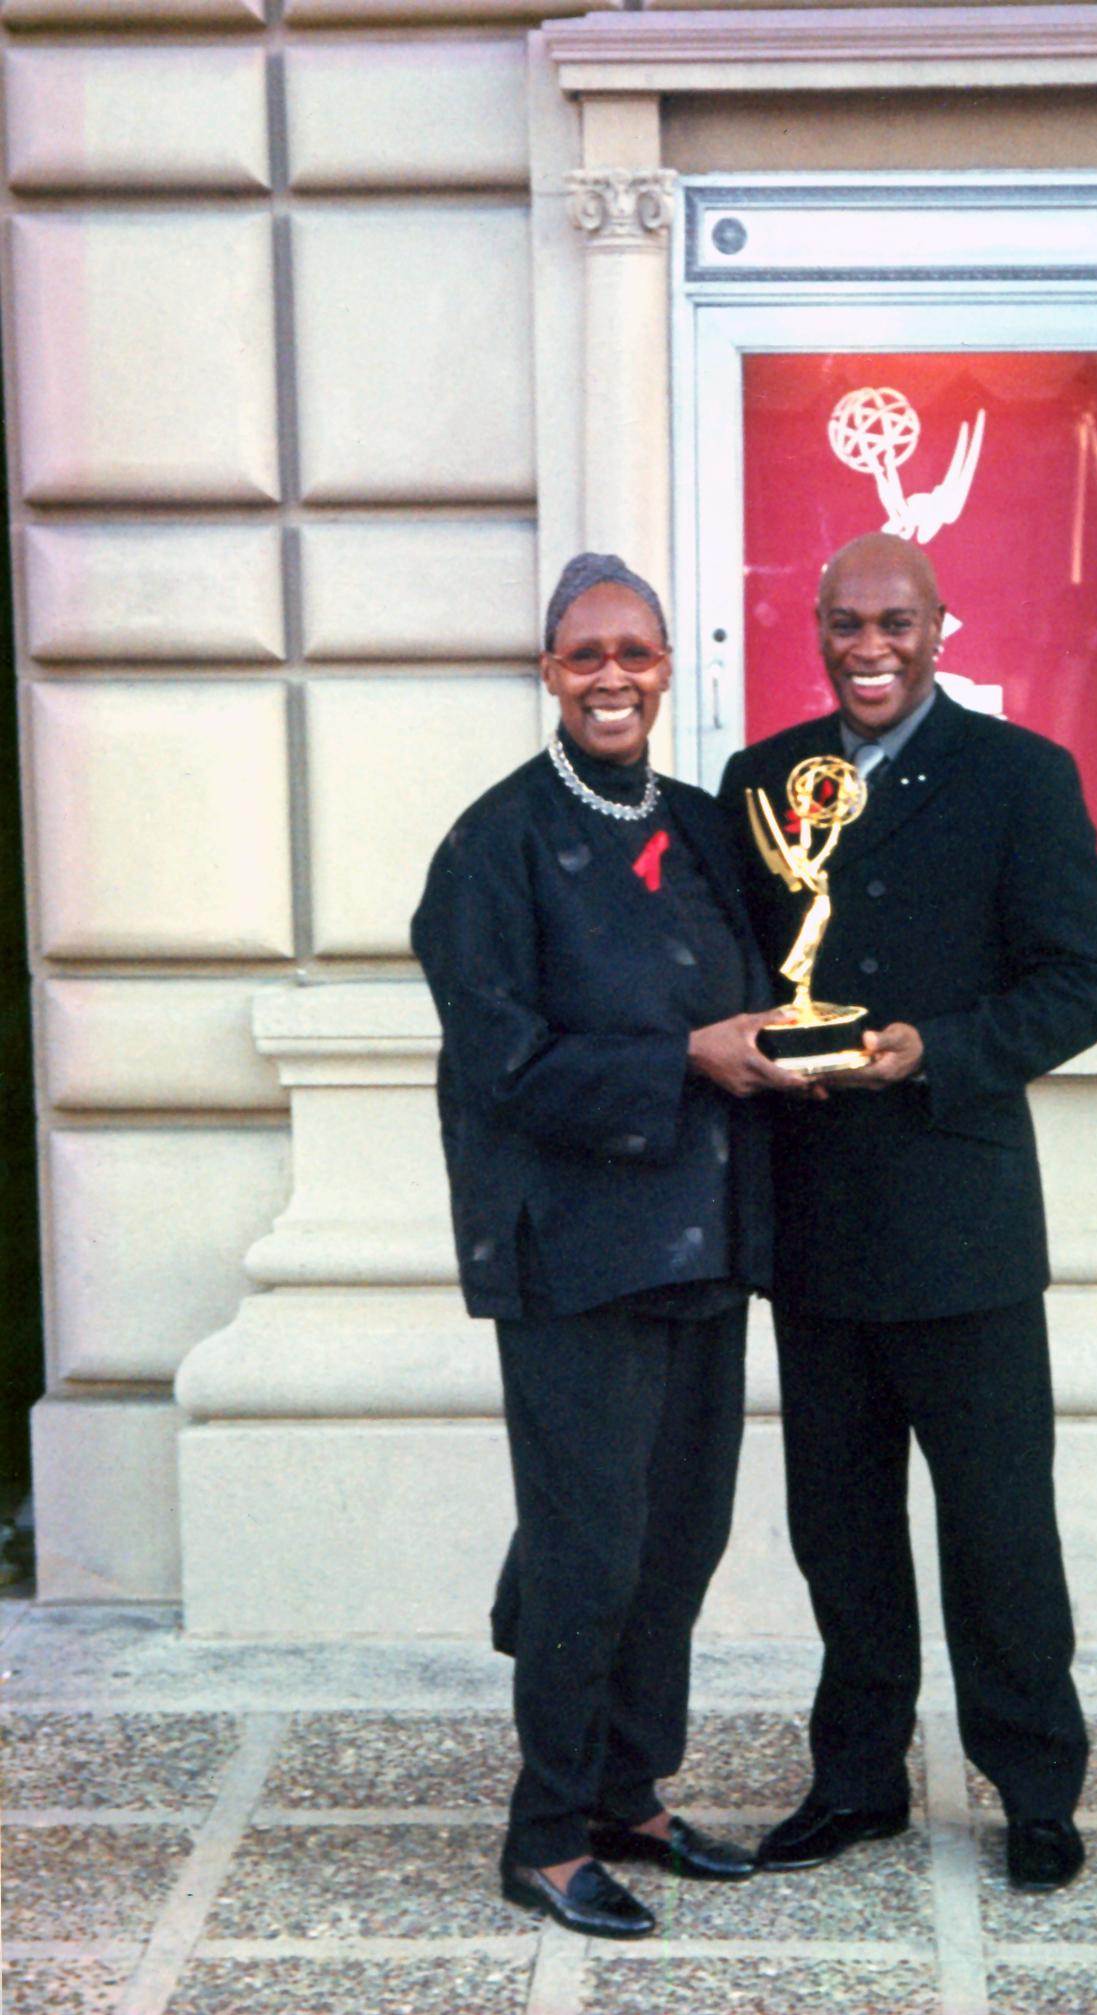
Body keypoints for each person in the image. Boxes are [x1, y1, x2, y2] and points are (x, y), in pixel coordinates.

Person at [719, 532, 1097, 1893]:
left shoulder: (1021, 776)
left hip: (965, 1230)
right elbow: (733, 971)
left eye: (894, 618)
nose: (867, 642)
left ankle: (1038, 1791)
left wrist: (933, 1045)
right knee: (839, 1530)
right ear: (816, 628)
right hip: (817, 1224)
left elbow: (1083, 983)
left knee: (1002, 1530)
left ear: (941, 627)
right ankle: (855, 1782)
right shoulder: (764, 783)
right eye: (843, 619)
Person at [412, 552, 806, 1940]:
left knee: (680, 1536)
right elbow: (503, 1061)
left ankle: (629, 1790)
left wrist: (794, 1047)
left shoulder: (702, 829)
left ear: (664, 668)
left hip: (705, 1235)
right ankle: (544, 1831)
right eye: (585, 654)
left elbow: (761, 989)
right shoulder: (490, 845)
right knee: (587, 1549)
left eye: (634, 652)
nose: (613, 676)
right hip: (574, 1247)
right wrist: (688, 1055)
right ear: (548, 672)